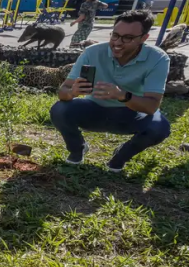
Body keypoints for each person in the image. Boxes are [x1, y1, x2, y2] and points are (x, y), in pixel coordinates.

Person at [51, 10, 170, 173]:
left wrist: (122, 96)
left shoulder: (158, 59)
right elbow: (63, 91)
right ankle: (77, 149)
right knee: (59, 109)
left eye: (127, 38)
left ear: (144, 38)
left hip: (131, 114)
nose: (117, 42)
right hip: (93, 109)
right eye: (115, 35)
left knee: (160, 127)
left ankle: (120, 156)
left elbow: (151, 106)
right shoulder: (93, 52)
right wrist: (72, 92)